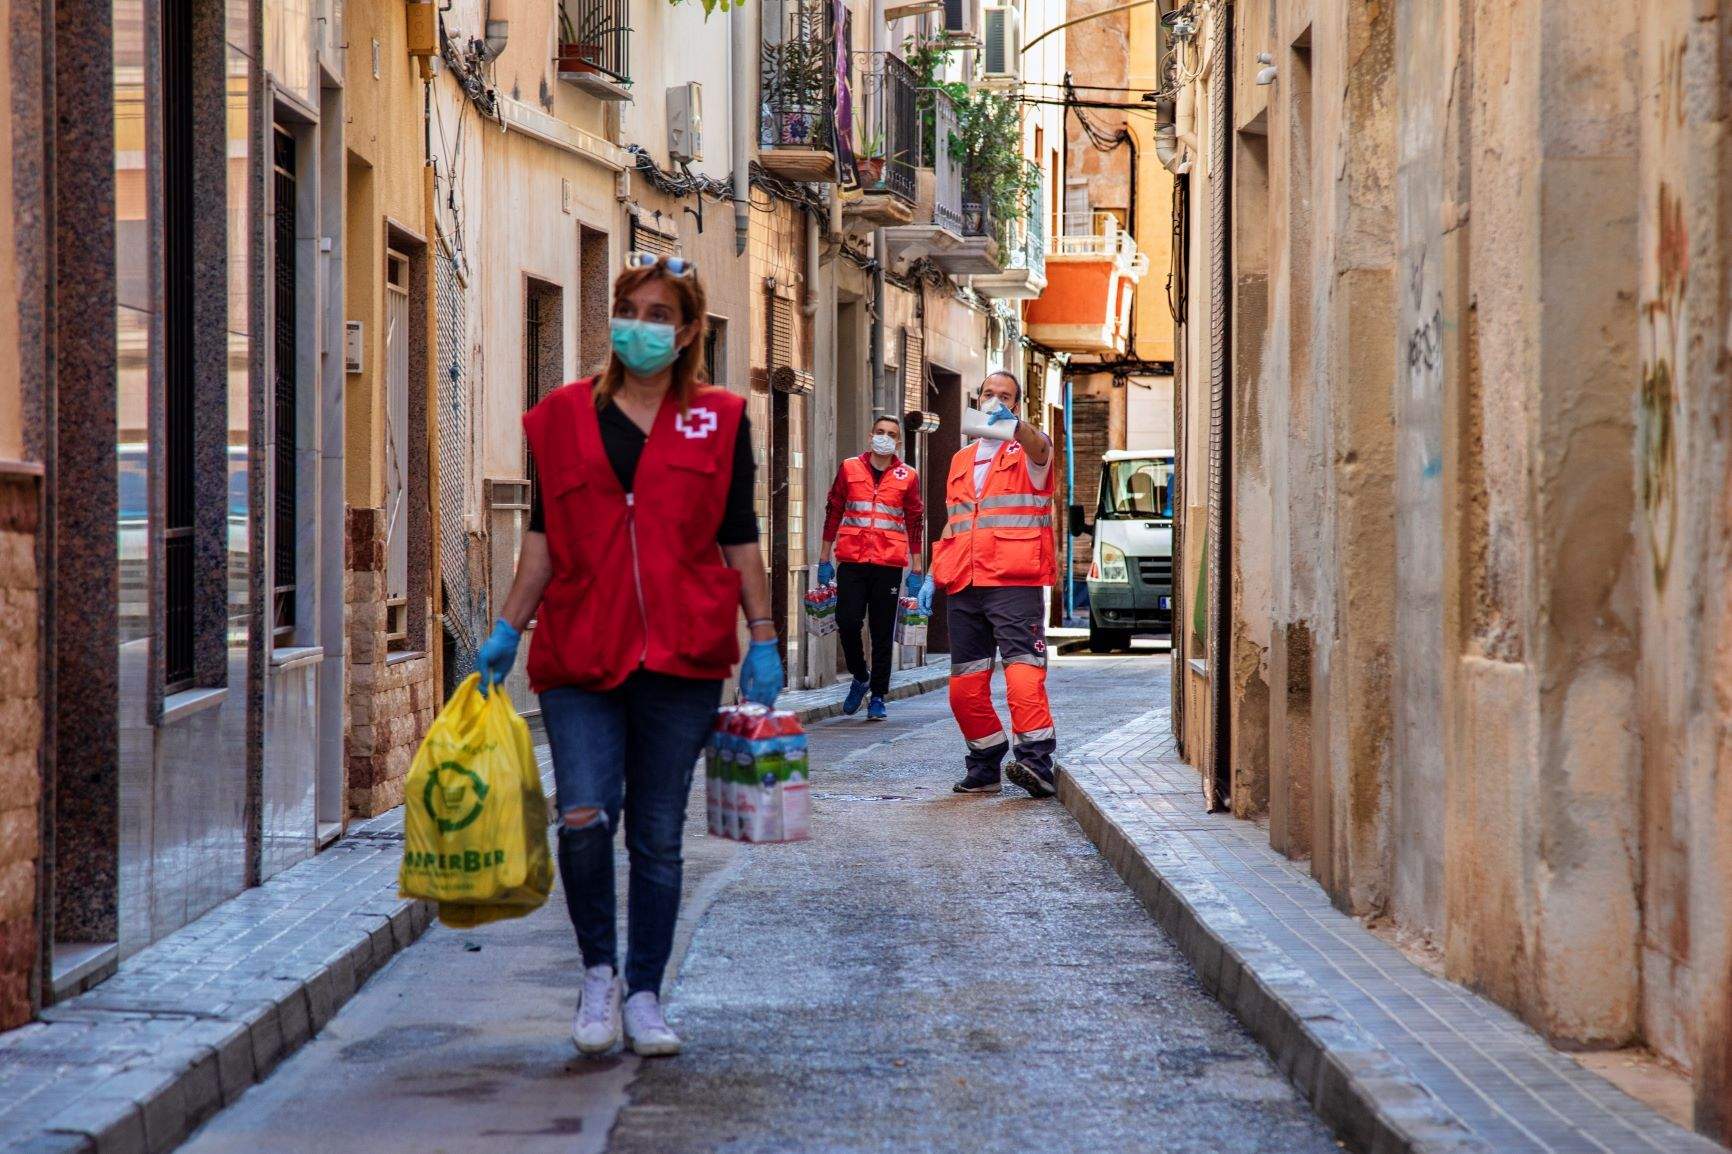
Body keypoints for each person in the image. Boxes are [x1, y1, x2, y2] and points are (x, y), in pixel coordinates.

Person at [474, 253, 783, 1059]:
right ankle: (598, 975)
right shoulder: (562, 417)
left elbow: (740, 538)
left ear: (685, 335)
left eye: (658, 316)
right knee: (582, 816)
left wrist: (765, 638)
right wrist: (507, 629)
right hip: (580, 652)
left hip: (682, 659)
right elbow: (540, 543)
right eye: (630, 310)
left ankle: (646, 992)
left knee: (654, 834)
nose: (640, 326)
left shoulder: (718, 420)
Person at [917, 370, 1058, 798]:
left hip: (1014, 578)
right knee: (964, 687)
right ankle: (986, 761)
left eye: (1005, 396)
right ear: (976, 399)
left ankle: (1035, 763)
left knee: (1022, 675)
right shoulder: (961, 460)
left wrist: (1015, 425)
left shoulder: (1030, 450)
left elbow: (1041, 446)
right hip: (963, 579)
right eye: (988, 394)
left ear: (1016, 404)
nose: (995, 400)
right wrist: (929, 576)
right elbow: (955, 522)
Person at [817, 415, 924, 721]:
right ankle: (860, 675)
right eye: (880, 432)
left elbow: (915, 521)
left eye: (891, 434)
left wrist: (917, 567)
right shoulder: (850, 467)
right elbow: (834, 510)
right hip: (851, 560)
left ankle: (878, 694)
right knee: (847, 621)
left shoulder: (908, 475)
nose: (885, 437)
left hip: (888, 563)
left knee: (881, 630)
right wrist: (824, 558)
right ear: (870, 435)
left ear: (898, 442)